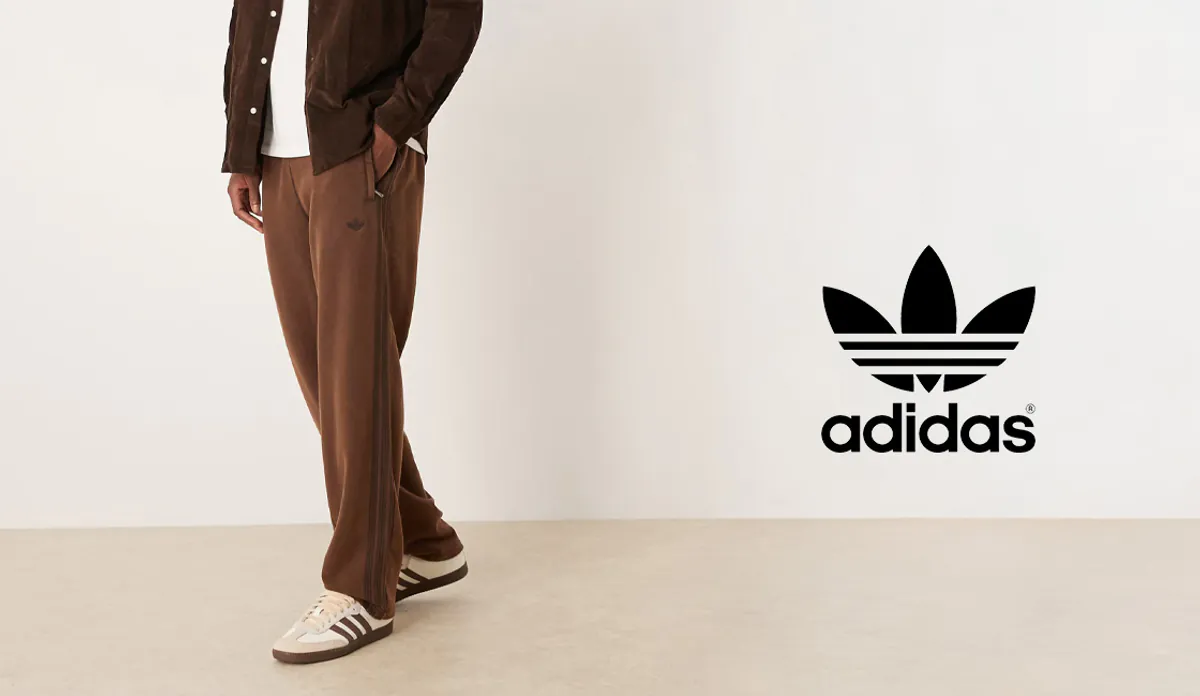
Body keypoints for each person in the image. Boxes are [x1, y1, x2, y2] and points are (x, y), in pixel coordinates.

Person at [221, 0, 483, 664]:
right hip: (279, 156)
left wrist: (395, 125)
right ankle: (422, 542)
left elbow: (455, 14)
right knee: (322, 369)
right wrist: (242, 148)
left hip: (359, 149)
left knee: (354, 369)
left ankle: (361, 587)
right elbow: (248, 20)